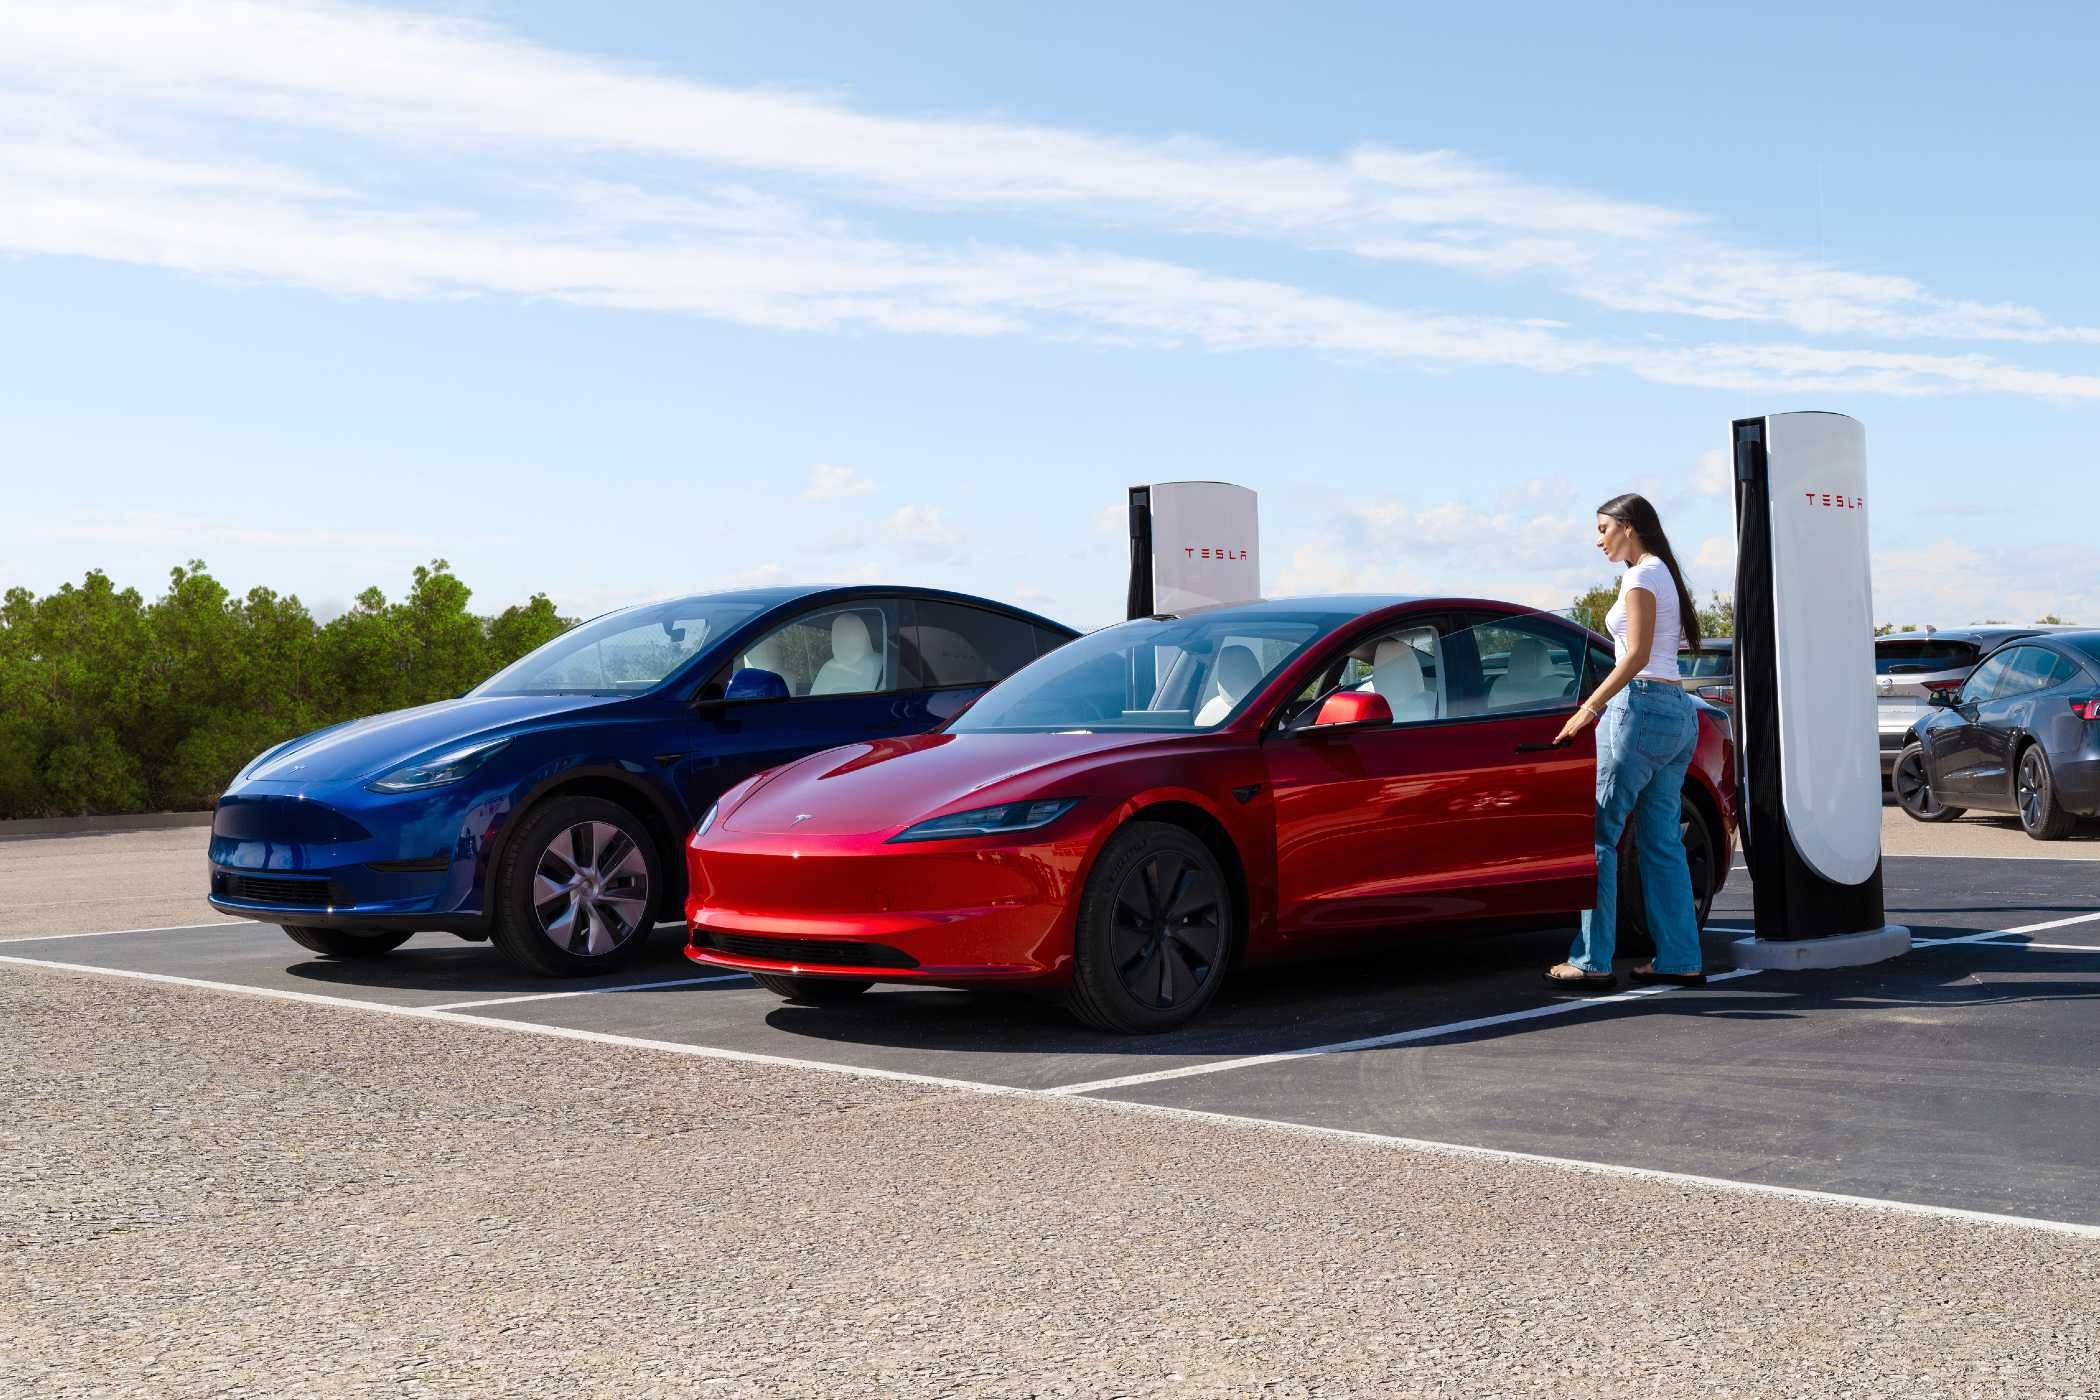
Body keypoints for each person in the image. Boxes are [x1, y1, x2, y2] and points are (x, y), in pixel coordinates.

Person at [1544, 493, 1707, 991]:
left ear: (1628, 526)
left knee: (1600, 836)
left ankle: (1593, 959)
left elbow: (1634, 655)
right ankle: (1680, 957)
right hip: (1678, 712)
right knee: (1661, 843)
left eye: (1602, 529)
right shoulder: (1663, 573)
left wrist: (1589, 707)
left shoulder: (1640, 576)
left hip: (1638, 709)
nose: (1598, 540)